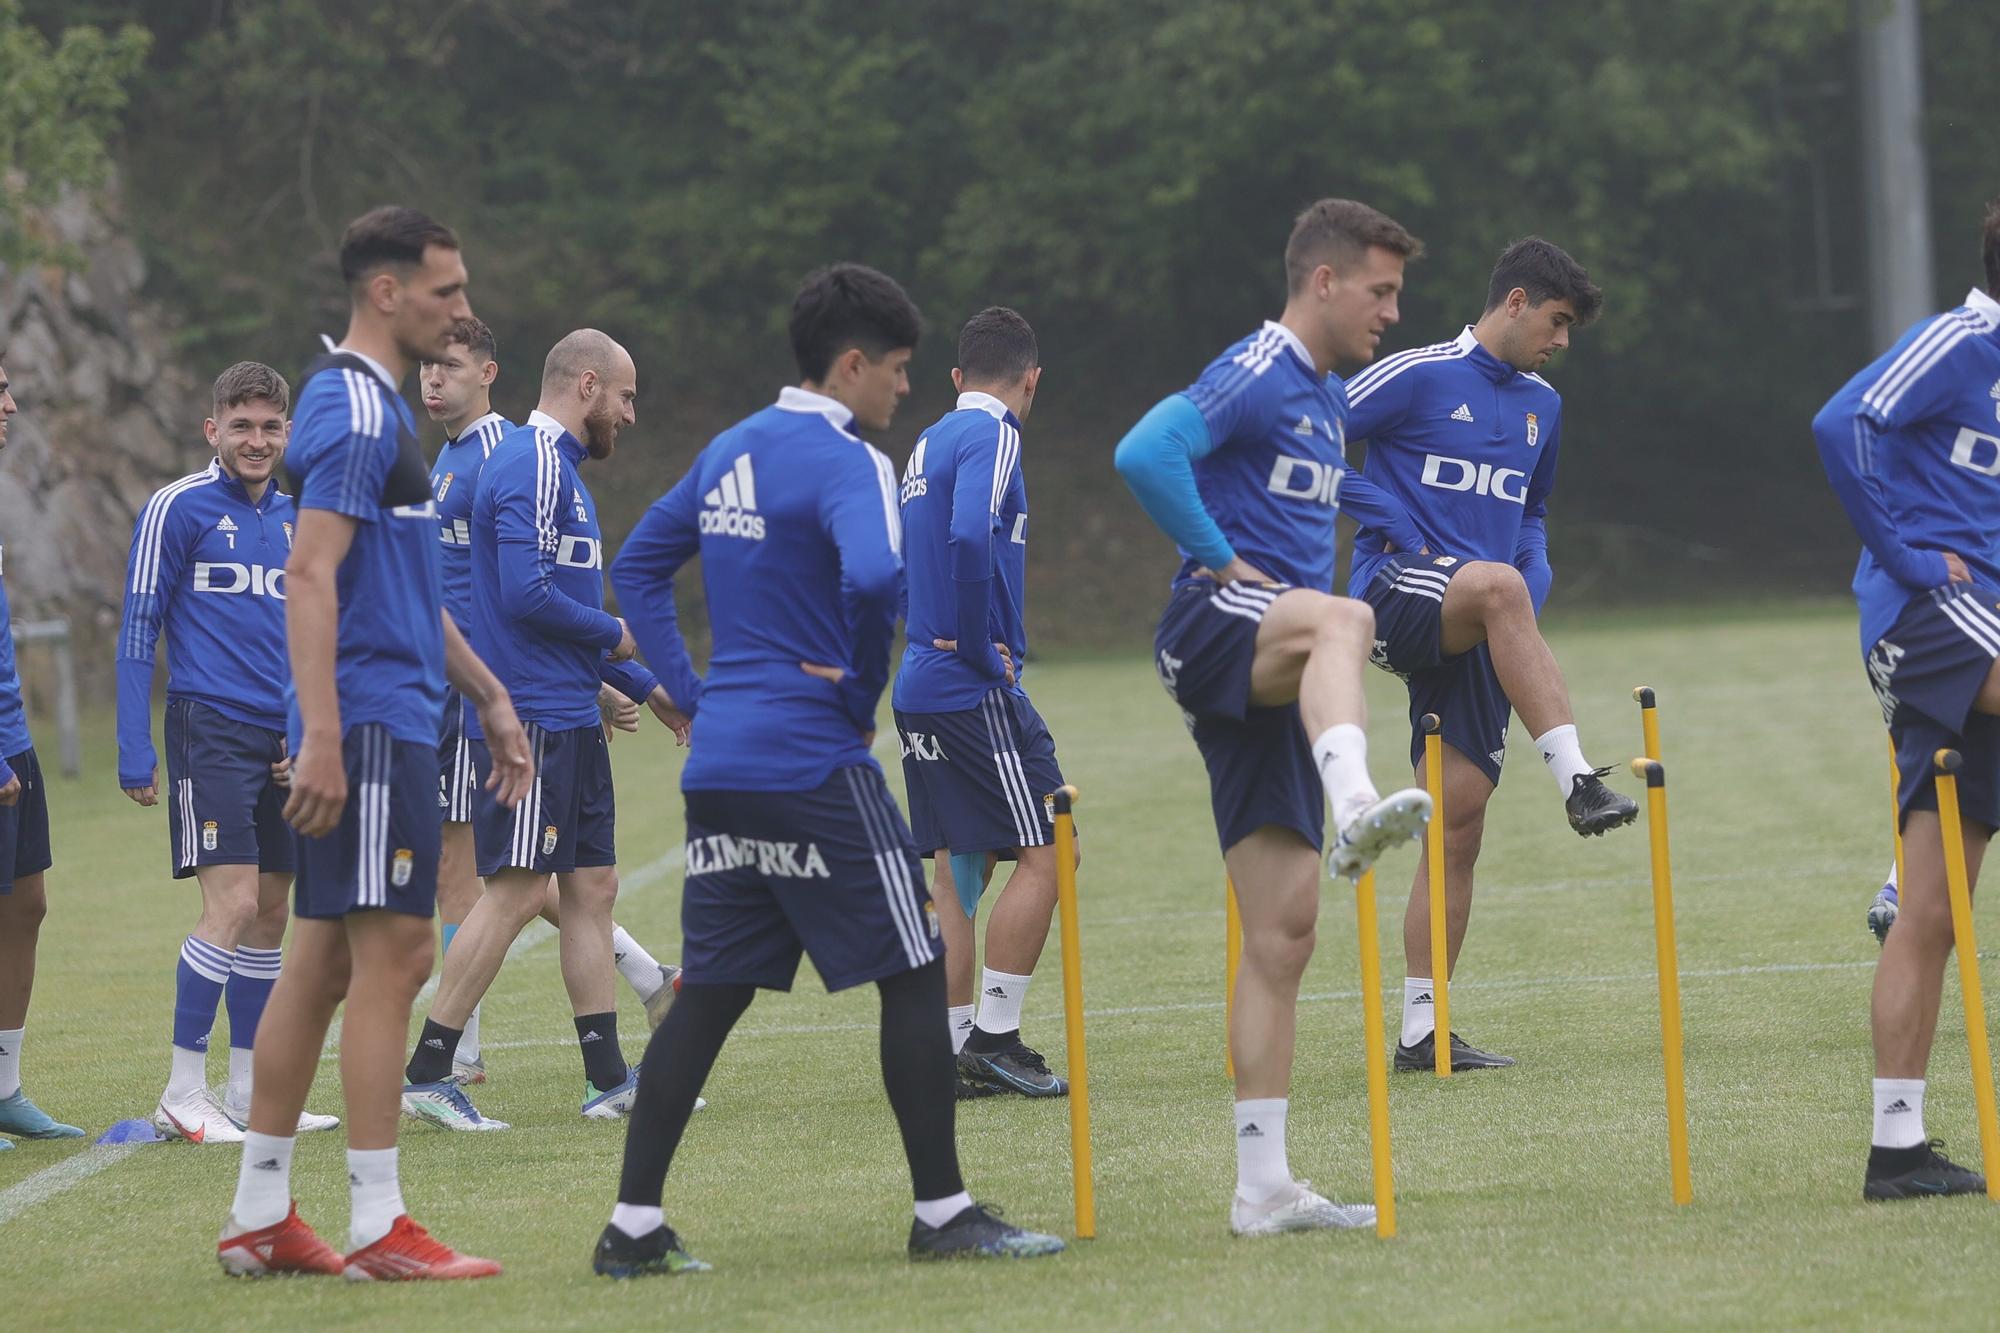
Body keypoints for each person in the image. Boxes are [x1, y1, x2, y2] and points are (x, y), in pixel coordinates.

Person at [596, 263, 1064, 1275]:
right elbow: (876, 575)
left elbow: (634, 563)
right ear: (849, 364)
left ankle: (631, 1227)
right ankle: (942, 1212)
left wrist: (684, 693)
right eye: (894, 369)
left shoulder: (728, 449)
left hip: (719, 762)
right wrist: (855, 697)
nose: (903, 388)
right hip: (810, 755)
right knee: (907, 971)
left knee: (712, 987)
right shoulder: (845, 459)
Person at [216, 206, 534, 1279]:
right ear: (388, 293)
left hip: (399, 712)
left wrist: (488, 695)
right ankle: (376, 1222)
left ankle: (261, 1209)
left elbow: (396, 585)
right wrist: (320, 733)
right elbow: (308, 573)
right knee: (392, 954)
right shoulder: (352, 410)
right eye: (445, 292)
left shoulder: (376, 407)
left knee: (317, 960)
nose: (459, 310)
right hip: (368, 726)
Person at [1112, 198, 1432, 1237]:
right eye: (1379, 291)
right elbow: (1144, 451)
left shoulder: (1328, 401)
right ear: (1324, 281)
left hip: (1273, 660)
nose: (1390, 311)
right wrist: (1215, 557)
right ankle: (1356, 801)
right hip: (1214, 623)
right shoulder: (1258, 366)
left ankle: (1261, 1190)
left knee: (1283, 934)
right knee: (1344, 617)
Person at [1336, 238, 1632, 1073]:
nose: (1562, 339)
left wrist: (1530, 582)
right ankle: (1579, 780)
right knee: (1498, 587)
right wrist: (1383, 514)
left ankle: (1422, 1033)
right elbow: (1306, 439)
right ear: (1514, 302)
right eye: (1558, 320)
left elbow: (1532, 517)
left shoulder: (1545, 406)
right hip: (1394, 592)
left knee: (1455, 825)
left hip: (1481, 618)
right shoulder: (1419, 372)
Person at [401, 328, 689, 1129]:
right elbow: (527, 598)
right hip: (527, 717)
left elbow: (567, 617)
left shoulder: (561, 472)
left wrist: (648, 686)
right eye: (626, 397)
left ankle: (609, 1079)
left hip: (569, 714)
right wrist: (619, 637)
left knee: (591, 890)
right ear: (588, 385)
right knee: (517, 891)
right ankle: (429, 1071)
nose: (630, 415)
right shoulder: (527, 461)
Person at [1812, 201, 2000, 1201]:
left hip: (1976, 629)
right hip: (1929, 616)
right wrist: (1896, 555)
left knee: (1930, 913)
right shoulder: (1956, 341)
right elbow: (1839, 421)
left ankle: (1895, 1148)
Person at [117, 361, 338, 1141]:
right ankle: (183, 1089)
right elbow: (139, 628)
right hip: (205, 727)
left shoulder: (299, 518)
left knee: (273, 910)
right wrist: (131, 746)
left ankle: (248, 1089)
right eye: (241, 425)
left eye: (270, 426)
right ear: (214, 429)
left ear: (287, 434)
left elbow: (314, 637)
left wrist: (305, 730)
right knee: (233, 903)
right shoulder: (175, 508)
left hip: (280, 738)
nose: (256, 439)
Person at [893, 306, 1069, 1099]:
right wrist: (971, 645)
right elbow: (969, 537)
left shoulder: (926, 441)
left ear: (956, 377)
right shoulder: (995, 434)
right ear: (1030, 379)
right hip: (969, 685)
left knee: (955, 872)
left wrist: (931, 635)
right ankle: (995, 1036)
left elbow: (906, 561)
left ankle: (945, 1044)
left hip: (918, 684)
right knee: (1048, 847)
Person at [0, 353, 82, 1151]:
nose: (12, 404)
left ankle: (6, 1086)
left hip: (13, 737)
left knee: (27, 905)